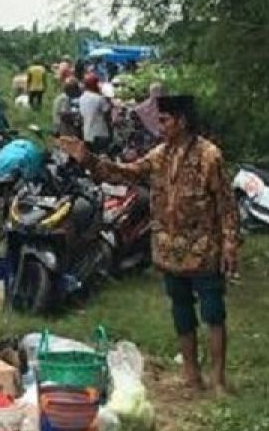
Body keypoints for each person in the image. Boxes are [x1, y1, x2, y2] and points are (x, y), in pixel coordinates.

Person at [55, 95, 240, 396]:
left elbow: (226, 204)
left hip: (205, 249)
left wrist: (230, 243)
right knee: (182, 311)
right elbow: (124, 173)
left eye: (165, 120)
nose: (161, 125)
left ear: (181, 121)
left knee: (213, 312)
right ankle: (191, 376)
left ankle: (218, 379)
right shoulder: (159, 155)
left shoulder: (210, 157)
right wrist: (88, 159)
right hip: (169, 249)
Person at [79, 73, 112, 154]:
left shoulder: (81, 98)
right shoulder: (99, 99)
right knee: (103, 158)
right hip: (100, 133)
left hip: (87, 134)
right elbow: (107, 114)